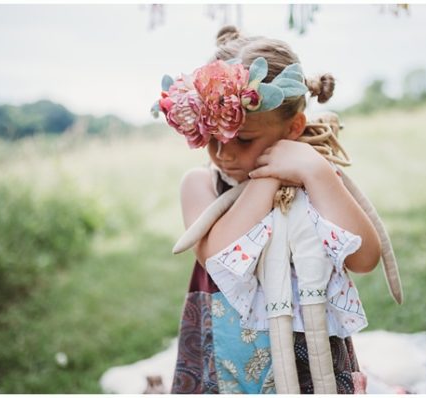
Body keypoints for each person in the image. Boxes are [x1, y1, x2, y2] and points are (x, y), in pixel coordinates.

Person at [160, 26, 388, 393]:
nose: (223, 154)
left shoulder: (315, 175)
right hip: (228, 352)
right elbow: (218, 256)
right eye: (212, 136)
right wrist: (267, 179)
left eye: (243, 139)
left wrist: (317, 172)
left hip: (311, 354)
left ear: (293, 128)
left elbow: (364, 259)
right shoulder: (200, 184)